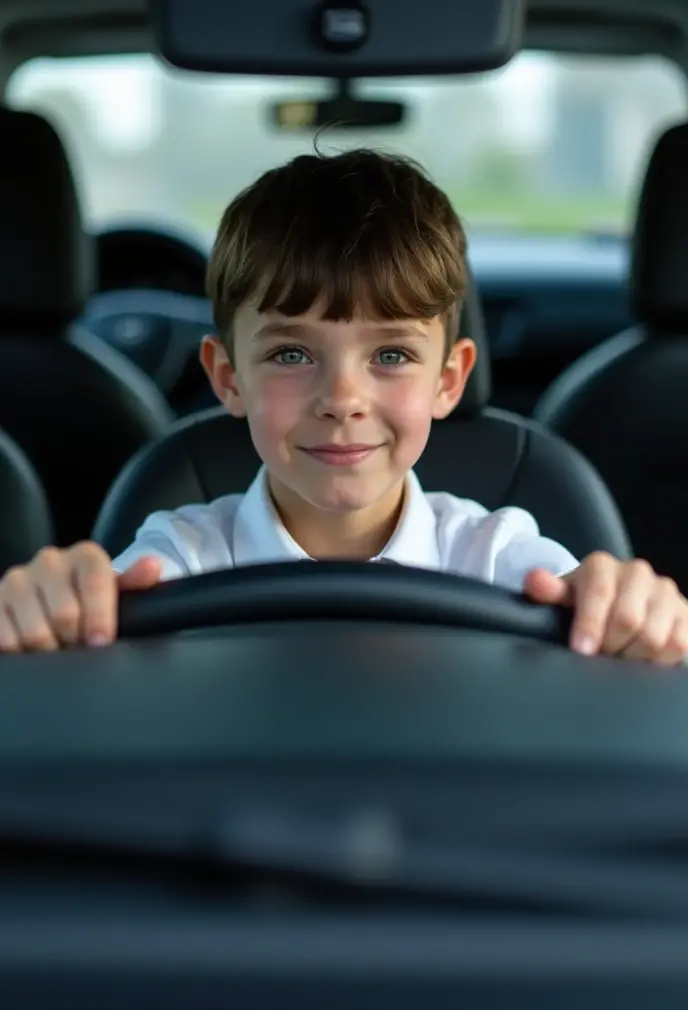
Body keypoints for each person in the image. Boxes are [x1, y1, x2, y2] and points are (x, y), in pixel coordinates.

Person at [1, 149, 687, 663]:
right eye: (292, 355)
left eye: (390, 356)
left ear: (449, 380)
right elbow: (90, 615)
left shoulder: (501, 553)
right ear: (227, 376)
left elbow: (605, 614)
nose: (343, 400)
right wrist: (52, 607)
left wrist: (640, 614)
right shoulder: (177, 557)